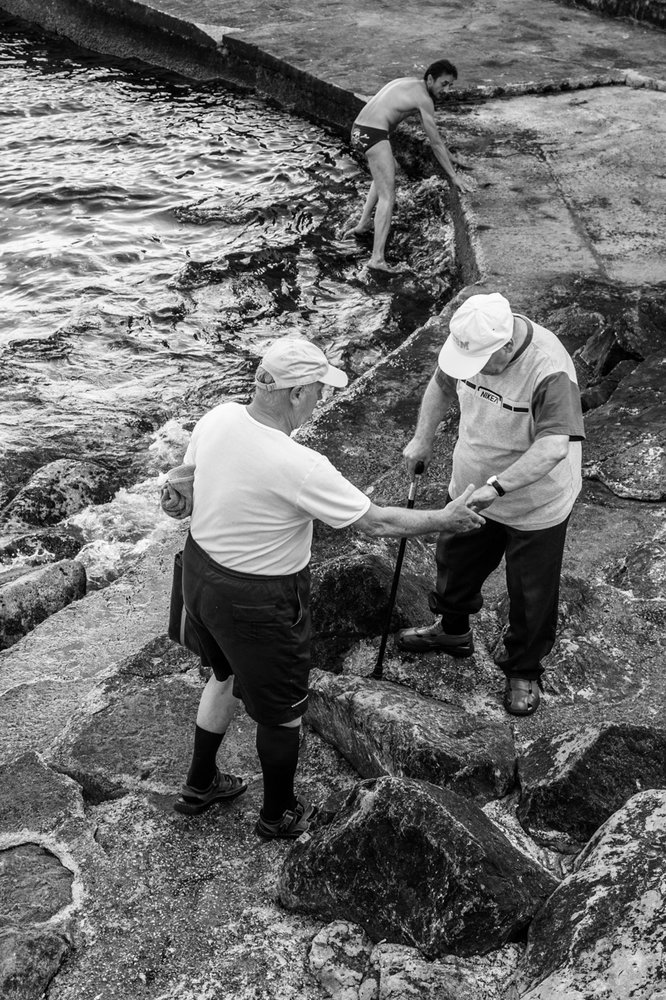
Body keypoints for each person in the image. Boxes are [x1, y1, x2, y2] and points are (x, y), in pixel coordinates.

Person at [169, 335, 485, 840]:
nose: (324, 398)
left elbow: (185, 480)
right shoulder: (299, 465)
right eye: (319, 388)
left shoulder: (220, 417)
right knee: (283, 714)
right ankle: (278, 816)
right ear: (294, 393)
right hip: (259, 599)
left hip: (201, 576)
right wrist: (444, 518)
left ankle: (199, 784)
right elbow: (376, 522)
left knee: (223, 675)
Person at [398, 292, 585, 717]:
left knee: (531, 591)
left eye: (484, 363)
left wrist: (497, 489)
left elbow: (554, 447)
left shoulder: (548, 367)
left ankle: (523, 669)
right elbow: (441, 384)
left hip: (535, 502)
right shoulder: (467, 344)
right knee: (455, 562)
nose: (477, 373)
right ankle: (451, 630)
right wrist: (423, 437)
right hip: (470, 483)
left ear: (504, 346)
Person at [344, 59, 474, 273]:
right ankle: (377, 259)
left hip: (358, 131)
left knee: (385, 175)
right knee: (388, 196)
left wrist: (452, 157)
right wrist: (454, 176)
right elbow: (434, 143)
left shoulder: (407, 83)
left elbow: (438, 141)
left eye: (450, 85)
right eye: (444, 84)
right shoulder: (424, 100)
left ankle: (363, 224)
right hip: (373, 134)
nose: (447, 90)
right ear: (430, 79)